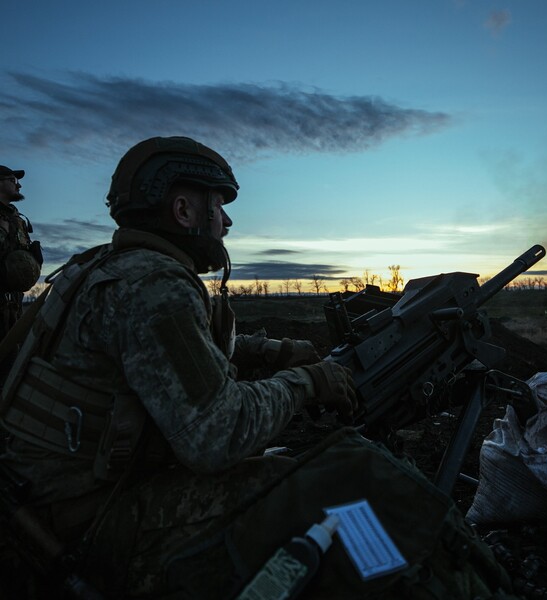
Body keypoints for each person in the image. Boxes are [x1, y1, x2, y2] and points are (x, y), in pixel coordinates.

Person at [0, 137, 358, 597]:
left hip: (40, 495)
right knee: (296, 489)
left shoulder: (110, 266)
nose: (227, 221)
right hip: (71, 522)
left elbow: (172, 352)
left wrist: (272, 350)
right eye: (219, 207)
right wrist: (307, 381)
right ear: (185, 211)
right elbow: (220, 434)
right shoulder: (154, 284)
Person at [0, 165, 43, 379]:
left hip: (13, 306)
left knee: (11, 367)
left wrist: (33, 261)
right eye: (12, 180)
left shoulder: (17, 219)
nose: (19, 184)